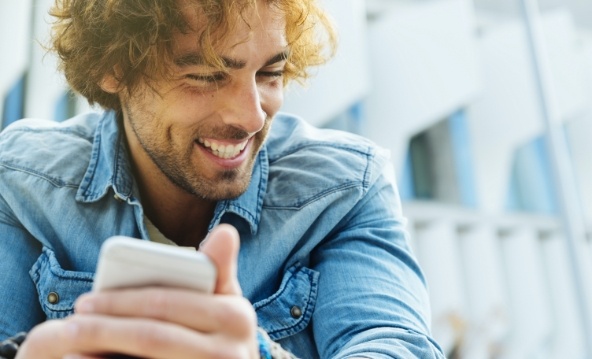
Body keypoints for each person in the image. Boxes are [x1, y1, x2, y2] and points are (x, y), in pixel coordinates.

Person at [0, 0, 445, 358]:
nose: (251, 116)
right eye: (208, 76)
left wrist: (257, 355)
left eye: (270, 73)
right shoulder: (21, 181)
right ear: (114, 68)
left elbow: (394, 346)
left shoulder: (346, 187)